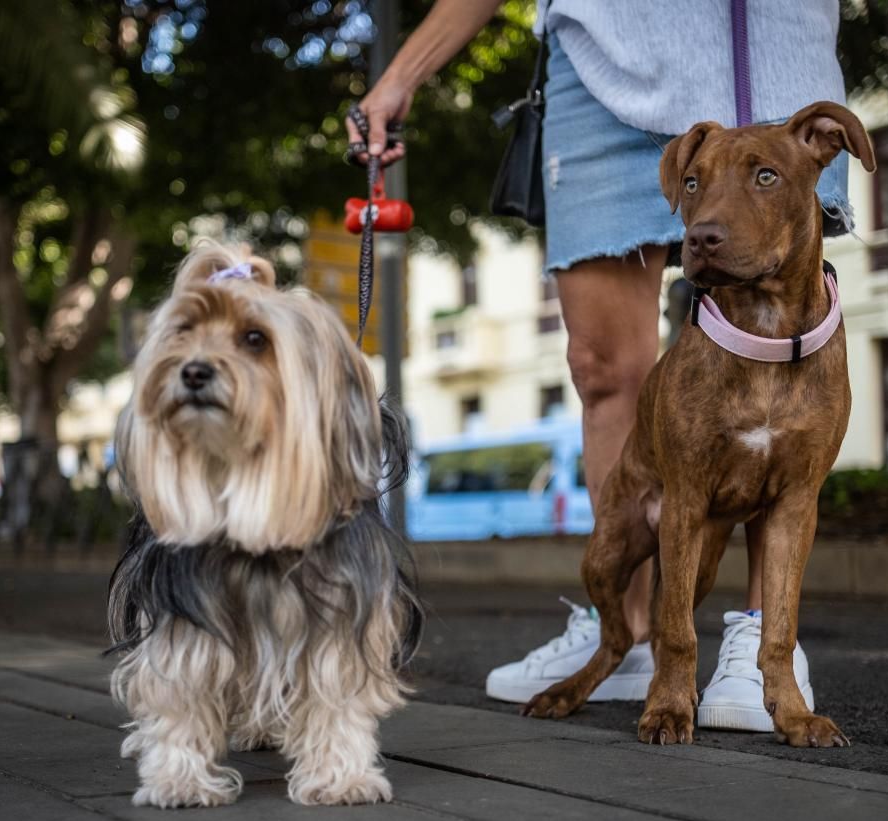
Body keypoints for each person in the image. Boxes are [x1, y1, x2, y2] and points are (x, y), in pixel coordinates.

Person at [348, 0, 853, 733]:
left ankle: (761, 646)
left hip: (767, 48)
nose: (705, 214)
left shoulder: (798, 139)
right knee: (601, 367)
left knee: (780, 363)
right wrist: (400, 78)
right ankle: (633, 636)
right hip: (604, 64)